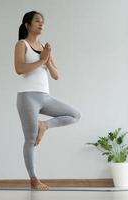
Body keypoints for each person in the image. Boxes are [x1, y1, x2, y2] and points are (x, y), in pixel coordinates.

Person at [14, 11, 81, 190]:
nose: (41, 24)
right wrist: (41, 59)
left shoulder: (44, 46)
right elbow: (19, 69)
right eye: (37, 21)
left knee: (75, 114)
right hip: (27, 96)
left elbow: (56, 75)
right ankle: (34, 179)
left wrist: (48, 58)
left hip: (45, 96)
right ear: (28, 24)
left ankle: (44, 126)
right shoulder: (22, 44)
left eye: (42, 22)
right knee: (30, 139)